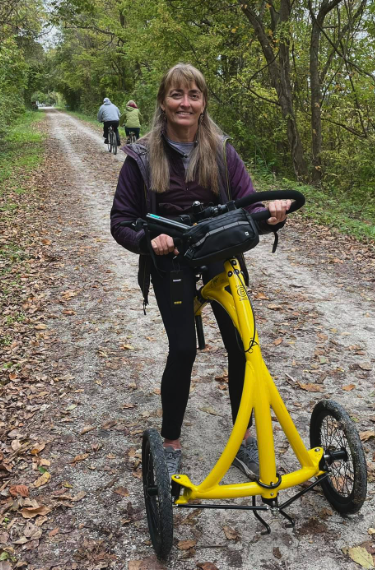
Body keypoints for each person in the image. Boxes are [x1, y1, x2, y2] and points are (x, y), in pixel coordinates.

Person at [110, 64, 291, 480]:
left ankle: (244, 435)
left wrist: (272, 215)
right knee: (184, 349)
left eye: (193, 95)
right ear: (163, 102)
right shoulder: (141, 157)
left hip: (217, 251)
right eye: (176, 95)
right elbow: (121, 220)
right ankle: (170, 441)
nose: (185, 103)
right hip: (170, 258)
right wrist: (147, 240)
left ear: (203, 102)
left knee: (243, 344)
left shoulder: (222, 150)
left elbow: (248, 205)